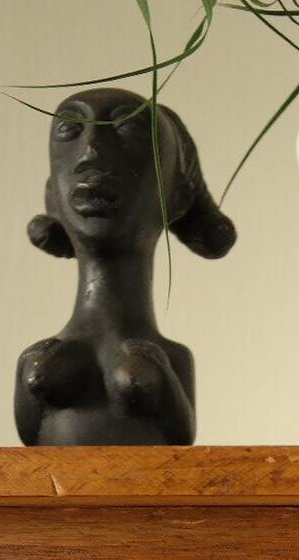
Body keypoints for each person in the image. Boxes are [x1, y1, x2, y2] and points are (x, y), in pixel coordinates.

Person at [15, 87, 235, 445]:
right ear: (53, 195)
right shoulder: (37, 356)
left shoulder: (173, 358)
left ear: (176, 197)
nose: (91, 151)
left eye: (129, 130)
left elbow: (182, 436)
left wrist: (161, 379)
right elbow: (26, 438)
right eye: (70, 130)